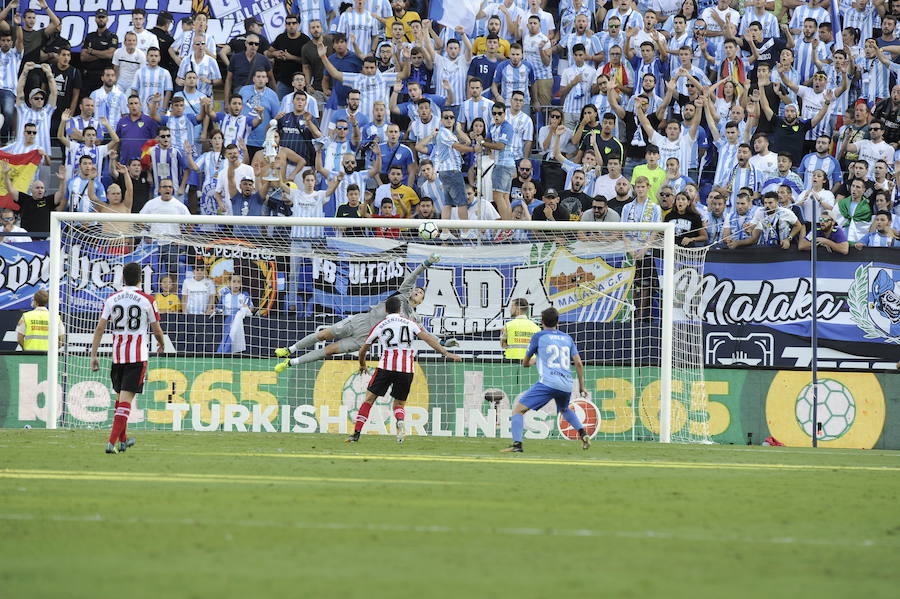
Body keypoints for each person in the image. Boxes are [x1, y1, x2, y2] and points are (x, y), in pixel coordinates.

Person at [274, 254, 442, 371]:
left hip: (365, 338)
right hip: (360, 321)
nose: (417, 291)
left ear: (421, 301)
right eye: (417, 290)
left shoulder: (412, 318)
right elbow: (413, 276)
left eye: (421, 293)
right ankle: (290, 349)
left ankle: (290, 363)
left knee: (329, 350)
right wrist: (426, 263)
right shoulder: (402, 294)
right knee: (323, 335)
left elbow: (426, 334)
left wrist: (443, 342)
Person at [347, 294, 461, 444]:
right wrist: (446, 353)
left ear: (386, 310)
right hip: (406, 369)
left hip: (386, 368)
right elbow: (428, 339)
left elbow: (363, 349)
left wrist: (362, 364)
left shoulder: (380, 325)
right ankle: (400, 421)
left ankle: (356, 434)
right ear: (400, 309)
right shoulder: (410, 323)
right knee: (399, 404)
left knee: (369, 400)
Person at [90, 262, 166, 454]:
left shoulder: (112, 298)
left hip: (118, 357)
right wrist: (162, 343)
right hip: (137, 357)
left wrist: (93, 354)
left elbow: (100, 327)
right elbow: (156, 329)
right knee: (125, 401)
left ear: (123, 278)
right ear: (141, 278)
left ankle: (123, 441)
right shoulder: (148, 300)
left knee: (120, 399)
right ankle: (111, 442)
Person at [501, 306, 590, 453]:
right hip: (566, 384)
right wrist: (581, 387)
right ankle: (583, 433)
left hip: (548, 382)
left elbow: (525, 362)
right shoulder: (567, 338)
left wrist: (531, 362)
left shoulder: (539, 336)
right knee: (564, 409)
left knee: (518, 411)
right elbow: (579, 363)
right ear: (558, 322)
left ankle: (517, 445)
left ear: (542, 321)